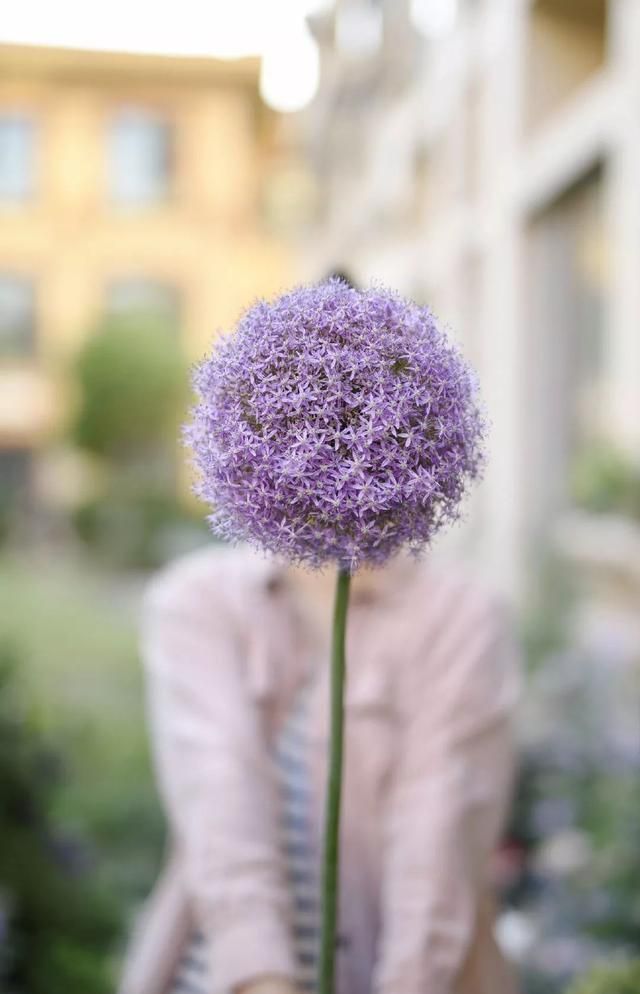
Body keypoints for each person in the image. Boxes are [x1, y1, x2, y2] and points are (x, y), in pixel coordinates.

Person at [119, 542, 521, 994]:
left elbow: (438, 830)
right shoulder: (198, 598)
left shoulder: (461, 611)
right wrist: (265, 982)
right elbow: (218, 796)